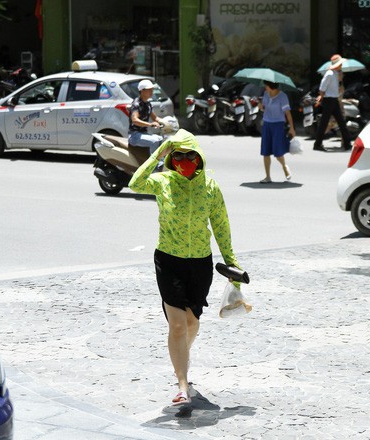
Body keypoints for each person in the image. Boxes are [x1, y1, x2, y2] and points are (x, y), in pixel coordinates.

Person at [129, 129, 243, 406]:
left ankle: (181, 357)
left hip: (200, 264)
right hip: (168, 261)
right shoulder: (163, 182)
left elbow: (221, 226)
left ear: (200, 157)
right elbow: (135, 183)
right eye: (178, 155)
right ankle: (182, 385)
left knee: (191, 323)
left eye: (190, 155)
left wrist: (231, 262)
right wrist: (160, 151)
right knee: (178, 326)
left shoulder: (210, 188)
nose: (184, 160)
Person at [313, 54, 352, 151]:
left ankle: (347, 144)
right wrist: (321, 96)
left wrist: (340, 79)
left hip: (334, 100)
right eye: (340, 64)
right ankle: (317, 144)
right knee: (324, 123)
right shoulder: (330, 73)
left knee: (341, 122)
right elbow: (322, 87)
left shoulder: (335, 73)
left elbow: (338, 88)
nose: (341, 66)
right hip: (329, 100)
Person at [259, 80, 295, 183]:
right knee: (265, 152)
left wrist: (292, 128)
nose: (264, 87)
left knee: (278, 153)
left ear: (271, 87)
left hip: (278, 125)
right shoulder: (266, 94)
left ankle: (284, 166)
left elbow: (287, 113)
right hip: (267, 124)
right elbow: (264, 108)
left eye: (266, 85)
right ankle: (267, 176)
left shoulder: (282, 96)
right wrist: (261, 107)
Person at [128, 79, 164, 154]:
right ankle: (156, 164)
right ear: (142, 91)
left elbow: (155, 118)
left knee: (161, 139)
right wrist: (150, 124)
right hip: (134, 135)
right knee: (155, 141)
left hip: (144, 134)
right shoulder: (136, 104)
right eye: (149, 90)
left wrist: (167, 122)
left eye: (152, 89)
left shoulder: (148, 104)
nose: (151, 91)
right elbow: (135, 120)